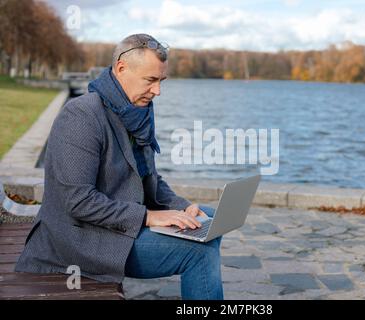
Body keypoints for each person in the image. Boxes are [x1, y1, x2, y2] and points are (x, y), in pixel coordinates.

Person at [15, 34, 224, 300]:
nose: (157, 91)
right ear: (121, 68)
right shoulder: (81, 115)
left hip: (116, 222)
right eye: (150, 80)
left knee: (207, 219)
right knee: (199, 252)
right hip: (79, 240)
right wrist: (149, 217)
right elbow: (77, 201)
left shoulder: (137, 111)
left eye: (161, 81)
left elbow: (149, 179)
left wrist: (181, 206)